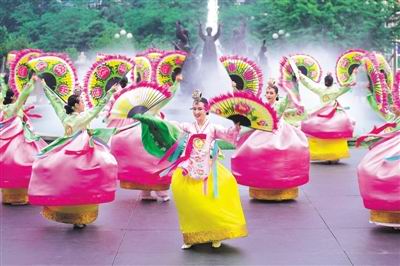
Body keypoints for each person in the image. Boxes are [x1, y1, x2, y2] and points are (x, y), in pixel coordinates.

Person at [134, 90, 248, 249]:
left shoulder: (213, 127)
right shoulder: (188, 126)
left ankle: (216, 234)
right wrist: (149, 119)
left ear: (207, 110)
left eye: (200, 109)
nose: (196, 112)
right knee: (189, 204)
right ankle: (191, 236)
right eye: (194, 109)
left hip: (207, 170)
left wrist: (236, 127)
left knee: (211, 203)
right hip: (188, 168)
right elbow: (171, 127)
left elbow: (229, 135)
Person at [28, 80, 118, 228]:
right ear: (76, 105)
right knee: (101, 167)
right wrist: (110, 92)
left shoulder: (65, 116)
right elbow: (99, 107)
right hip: (82, 152)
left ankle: (72, 212)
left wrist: (45, 86)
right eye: (81, 102)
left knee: (69, 182)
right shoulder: (83, 118)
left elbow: (55, 101)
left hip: (66, 152)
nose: (83, 104)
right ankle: (82, 214)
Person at [231, 80, 310, 200]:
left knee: (282, 153)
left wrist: (292, 84)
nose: (268, 95)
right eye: (267, 93)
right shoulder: (262, 105)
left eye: (271, 93)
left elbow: (289, 97)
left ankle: (283, 189)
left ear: (276, 95)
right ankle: (261, 188)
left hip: (280, 132)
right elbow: (244, 103)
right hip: (264, 130)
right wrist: (235, 89)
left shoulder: (280, 104)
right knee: (254, 150)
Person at [294, 64, 355, 163]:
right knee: (335, 134)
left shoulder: (320, 89)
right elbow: (347, 86)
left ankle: (323, 154)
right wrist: (353, 74)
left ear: (324, 82)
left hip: (321, 112)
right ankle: (334, 155)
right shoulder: (336, 90)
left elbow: (310, 85)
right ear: (332, 82)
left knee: (321, 134)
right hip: (334, 115)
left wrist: (301, 76)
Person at [0, 74, 46, 205]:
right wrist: (30, 82)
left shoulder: (4, 109)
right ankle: (19, 197)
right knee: (24, 163)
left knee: (8, 166)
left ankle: (8, 196)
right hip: (17, 140)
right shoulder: (14, 107)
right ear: (13, 97)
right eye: (16, 95)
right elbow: (23, 96)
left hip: (7, 140)